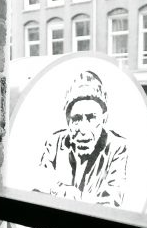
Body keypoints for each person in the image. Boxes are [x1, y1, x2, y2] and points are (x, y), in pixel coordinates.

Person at [35, 70, 128, 208]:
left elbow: (112, 202)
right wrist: (63, 191)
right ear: (68, 121)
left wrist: (70, 197)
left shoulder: (117, 147)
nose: (83, 129)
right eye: (77, 119)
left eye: (91, 118)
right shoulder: (54, 143)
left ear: (104, 119)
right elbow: (38, 189)